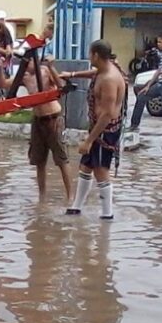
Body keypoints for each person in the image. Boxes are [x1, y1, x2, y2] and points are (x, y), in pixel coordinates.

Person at [0, 29, 71, 200]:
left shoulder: (44, 71)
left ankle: (70, 197)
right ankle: (42, 197)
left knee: (61, 159)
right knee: (39, 161)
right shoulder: (23, 77)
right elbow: (4, 84)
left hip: (53, 118)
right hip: (37, 120)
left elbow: (61, 86)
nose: (24, 63)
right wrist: (0, 67)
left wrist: (52, 67)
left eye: (26, 59)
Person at [66, 40, 127, 220]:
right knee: (86, 167)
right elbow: (93, 73)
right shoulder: (104, 69)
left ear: (96, 56)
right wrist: (72, 74)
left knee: (100, 170)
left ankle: (107, 213)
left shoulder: (109, 79)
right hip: (98, 126)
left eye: (89, 54)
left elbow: (107, 114)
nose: (88, 57)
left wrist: (89, 140)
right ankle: (77, 206)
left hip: (105, 129)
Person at [0, 10, 14, 99]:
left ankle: (4, 102)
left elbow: (8, 52)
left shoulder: (5, 40)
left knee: (3, 86)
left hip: (2, 66)